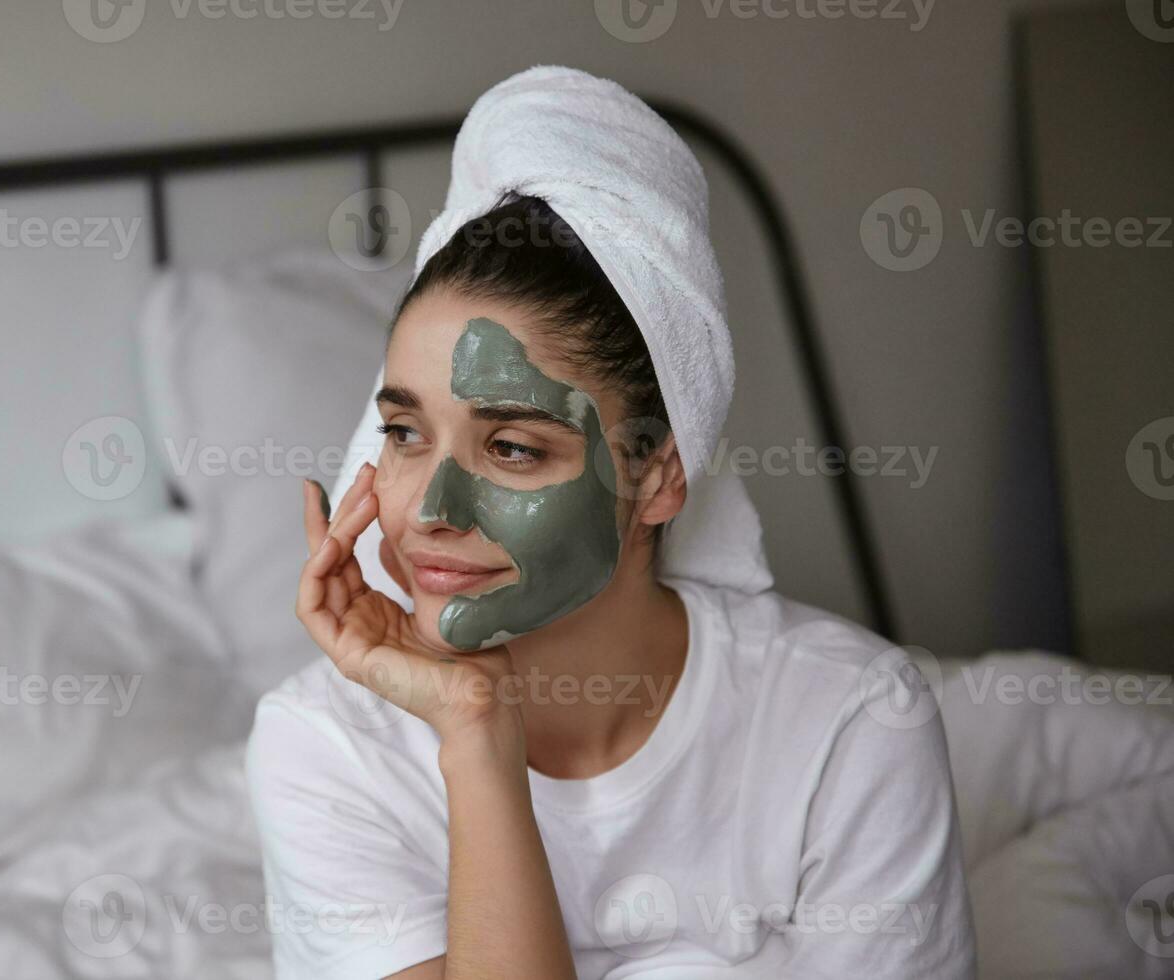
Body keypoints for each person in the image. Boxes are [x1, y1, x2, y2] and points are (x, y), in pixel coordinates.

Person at [246, 69, 975, 980]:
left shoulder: (853, 722)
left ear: (659, 475)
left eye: (511, 448)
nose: (430, 510)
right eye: (403, 433)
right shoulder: (322, 746)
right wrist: (478, 731)